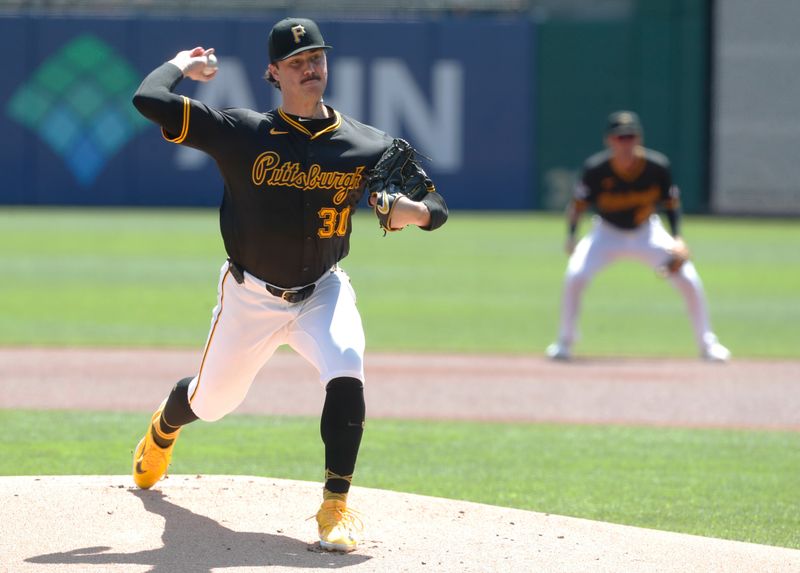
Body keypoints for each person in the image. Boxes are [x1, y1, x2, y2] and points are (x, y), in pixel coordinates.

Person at [130, 17, 448, 553]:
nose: (310, 68)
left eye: (317, 59)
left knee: (346, 362)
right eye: (297, 62)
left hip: (323, 289)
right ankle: (165, 424)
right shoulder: (240, 133)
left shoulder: (367, 145)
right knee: (212, 402)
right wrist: (184, 64)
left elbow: (437, 209)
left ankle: (335, 507)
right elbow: (148, 98)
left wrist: (408, 212)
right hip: (249, 295)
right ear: (273, 72)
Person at [546, 110, 730, 362]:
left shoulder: (657, 167)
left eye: (631, 136)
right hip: (606, 234)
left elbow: (671, 204)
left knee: (688, 278)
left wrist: (677, 237)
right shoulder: (596, 169)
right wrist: (571, 236)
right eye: (620, 137)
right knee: (575, 275)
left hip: (647, 233)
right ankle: (564, 342)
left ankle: (708, 344)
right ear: (609, 140)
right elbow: (577, 205)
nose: (626, 143)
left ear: (639, 138)